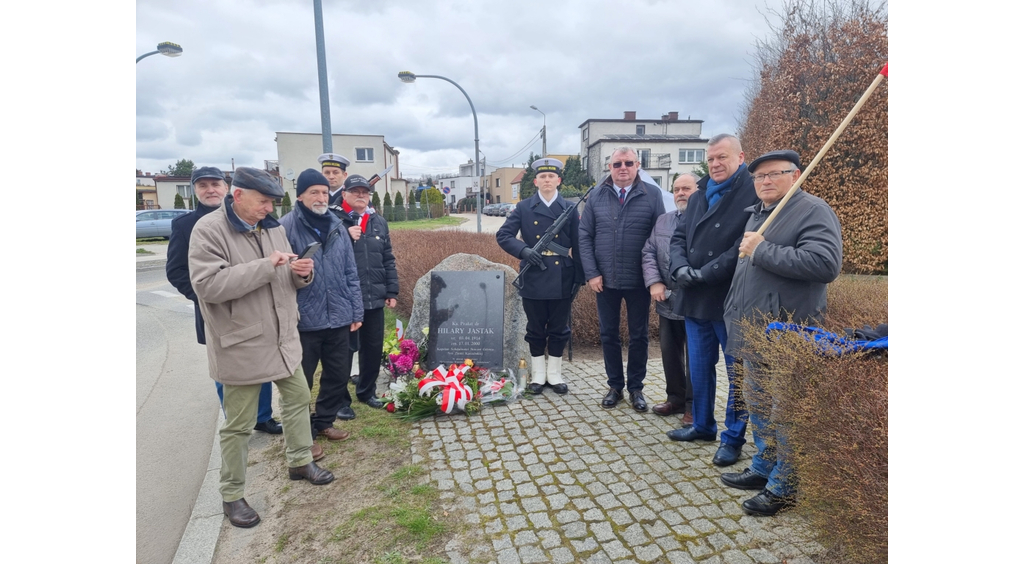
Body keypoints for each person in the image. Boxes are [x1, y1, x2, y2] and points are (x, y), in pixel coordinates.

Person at [189, 167, 334, 529]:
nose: (269, 208)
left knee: (300, 398)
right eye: (263, 201)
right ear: (237, 195)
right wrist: (267, 266)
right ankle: (232, 494)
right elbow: (209, 286)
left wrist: (301, 273)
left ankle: (300, 460)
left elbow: (285, 279)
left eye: (272, 202)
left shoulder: (274, 228)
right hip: (242, 344)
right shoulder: (208, 230)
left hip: (283, 338)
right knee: (239, 426)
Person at [718, 149, 842, 516]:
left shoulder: (812, 210)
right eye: (759, 176)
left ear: (796, 175)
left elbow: (825, 264)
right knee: (759, 408)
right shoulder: (758, 214)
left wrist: (763, 249)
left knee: (783, 412)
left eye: (775, 174)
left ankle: (785, 486)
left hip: (786, 335)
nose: (765, 181)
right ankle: (764, 467)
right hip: (751, 332)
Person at [166, 166, 281, 435]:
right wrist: (207, 298)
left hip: (255, 305)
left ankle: (262, 417)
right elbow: (177, 271)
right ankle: (237, 421)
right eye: (202, 185)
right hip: (216, 311)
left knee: (260, 360)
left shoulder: (252, 218)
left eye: (215, 184)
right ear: (194, 190)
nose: (210, 190)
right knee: (227, 369)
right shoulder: (185, 226)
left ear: (228, 188)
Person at [667, 133, 760, 468]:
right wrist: (679, 267)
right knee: (700, 368)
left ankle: (733, 437)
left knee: (738, 373)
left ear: (740, 156)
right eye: (711, 159)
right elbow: (678, 237)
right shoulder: (699, 194)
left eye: (722, 157)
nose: (716, 164)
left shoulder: (752, 192)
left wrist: (705, 273)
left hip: (728, 297)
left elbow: (742, 244)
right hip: (694, 296)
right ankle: (703, 425)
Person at [579, 147, 665, 412]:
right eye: (618, 164)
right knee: (608, 334)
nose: (623, 168)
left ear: (637, 165)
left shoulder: (652, 195)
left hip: (640, 280)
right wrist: (592, 273)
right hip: (604, 280)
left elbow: (660, 237)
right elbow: (584, 236)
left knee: (639, 336)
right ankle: (615, 386)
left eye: (629, 163)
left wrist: (655, 278)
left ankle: (636, 388)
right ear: (610, 167)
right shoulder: (596, 195)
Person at [280, 169, 364, 433]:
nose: (321, 197)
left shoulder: (337, 226)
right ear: (301, 196)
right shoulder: (284, 227)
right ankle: (303, 433)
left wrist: (356, 311)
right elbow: (276, 273)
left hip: (339, 315)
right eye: (314, 192)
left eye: (325, 192)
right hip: (304, 319)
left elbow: (351, 271)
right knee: (301, 381)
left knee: (338, 375)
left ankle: (324, 422)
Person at [496, 158, 583, 394]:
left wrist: (580, 275)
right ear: (536, 181)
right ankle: (538, 375)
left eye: (551, 177)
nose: (547, 180)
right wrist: (524, 251)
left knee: (558, 328)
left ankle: (554, 375)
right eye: (542, 177)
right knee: (535, 329)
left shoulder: (570, 208)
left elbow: (579, 242)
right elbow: (504, 235)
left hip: (562, 276)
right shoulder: (524, 207)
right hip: (533, 275)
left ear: (559, 181)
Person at [333, 174, 399, 409]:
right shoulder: (334, 220)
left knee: (372, 347)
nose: (361, 195)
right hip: (346, 298)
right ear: (344, 195)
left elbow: (387, 258)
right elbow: (325, 256)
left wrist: (391, 290)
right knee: (344, 352)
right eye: (355, 191)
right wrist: (344, 237)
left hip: (374, 296)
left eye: (365, 192)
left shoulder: (378, 221)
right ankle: (340, 400)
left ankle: (367, 391)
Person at [642, 172, 699, 423]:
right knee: (669, 352)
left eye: (686, 188)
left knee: (696, 355)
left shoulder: (706, 218)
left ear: (698, 190)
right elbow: (649, 251)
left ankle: (694, 406)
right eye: (676, 189)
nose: (680, 193)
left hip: (696, 300)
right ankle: (675, 398)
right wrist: (654, 281)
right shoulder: (664, 220)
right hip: (667, 299)